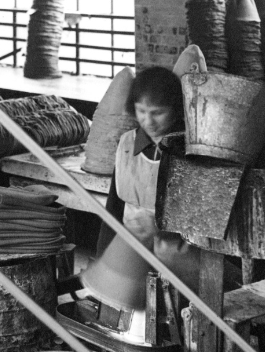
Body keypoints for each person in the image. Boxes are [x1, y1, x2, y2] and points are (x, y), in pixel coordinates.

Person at [84, 66, 199, 336]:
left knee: (183, 331)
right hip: (133, 251)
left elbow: (199, 216)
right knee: (136, 332)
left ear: (177, 108)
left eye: (158, 112)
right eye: (141, 111)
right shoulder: (126, 145)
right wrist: (104, 253)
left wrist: (162, 225)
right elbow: (115, 206)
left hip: (178, 254)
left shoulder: (190, 150)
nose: (149, 121)